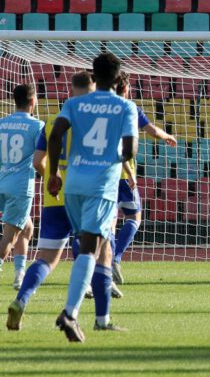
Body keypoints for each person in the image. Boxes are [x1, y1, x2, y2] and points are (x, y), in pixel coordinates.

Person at [48, 52, 138, 341]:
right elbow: (130, 149)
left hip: (72, 184)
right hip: (101, 185)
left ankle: (101, 317)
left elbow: (55, 135)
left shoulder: (74, 103)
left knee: (93, 247)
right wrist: (115, 156)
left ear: (94, 76)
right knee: (92, 248)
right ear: (117, 78)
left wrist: (53, 173)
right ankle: (71, 313)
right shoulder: (125, 107)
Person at [8, 71, 95, 331]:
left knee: (45, 258)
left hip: (54, 197)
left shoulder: (51, 121)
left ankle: (21, 299)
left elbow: (37, 162)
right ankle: (83, 309)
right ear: (91, 91)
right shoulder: (93, 120)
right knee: (91, 248)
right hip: (84, 195)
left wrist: (53, 176)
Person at [110, 72, 177, 285]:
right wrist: (167, 136)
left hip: (103, 174)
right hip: (123, 173)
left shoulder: (104, 110)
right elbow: (152, 131)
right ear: (126, 88)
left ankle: (105, 261)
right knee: (134, 217)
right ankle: (115, 257)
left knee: (109, 222)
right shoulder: (130, 108)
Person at [0, 84, 45, 293]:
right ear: (32, 101)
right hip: (20, 187)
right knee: (9, 236)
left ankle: (19, 276)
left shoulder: (2, 123)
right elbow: (40, 157)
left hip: (2, 180)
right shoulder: (37, 126)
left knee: (26, 228)